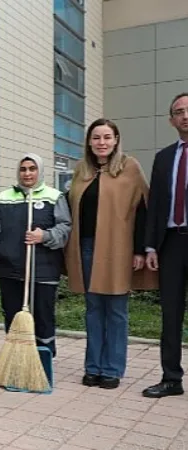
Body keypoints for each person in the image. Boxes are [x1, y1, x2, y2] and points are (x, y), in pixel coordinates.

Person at [64, 118, 156, 390]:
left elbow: (143, 209)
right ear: (89, 142)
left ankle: (112, 369)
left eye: (106, 137)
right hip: (87, 247)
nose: (101, 143)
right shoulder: (82, 170)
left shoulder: (130, 168)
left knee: (115, 310)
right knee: (93, 309)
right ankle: (92, 367)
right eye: (96, 138)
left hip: (119, 248)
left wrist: (140, 249)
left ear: (116, 140)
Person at [0, 154, 71, 357]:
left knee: (43, 316)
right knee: (13, 316)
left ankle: (43, 359)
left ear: (39, 171)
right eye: (23, 169)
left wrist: (45, 236)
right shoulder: (6, 197)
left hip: (44, 269)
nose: (27, 173)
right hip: (10, 269)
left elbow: (66, 228)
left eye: (32, 169)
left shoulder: (54, 196)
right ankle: (16, 358)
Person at [143, 92, 188, 398]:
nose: (185, 115)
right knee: (170, 315)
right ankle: (171, 378)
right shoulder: (163, 157)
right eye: (179, 111)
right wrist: (150, 247)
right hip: (171, 244)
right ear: (171, 120)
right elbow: (155, 205)